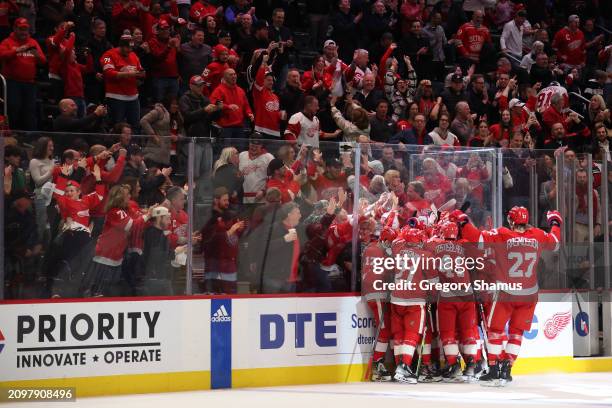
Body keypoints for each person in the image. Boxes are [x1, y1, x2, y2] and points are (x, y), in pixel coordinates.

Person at [456, 206, 562, 386]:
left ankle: (494, 368)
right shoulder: (536, 234)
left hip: (507, 292)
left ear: (511, 221)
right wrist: (555, 222)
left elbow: (477, 238)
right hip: (529, 294)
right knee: (516, 332)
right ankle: (507, 368)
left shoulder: (503, 234)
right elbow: (555, 242)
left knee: (495, 331)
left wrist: (463, 220)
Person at [0, 18, 46, 130]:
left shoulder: (33, 42)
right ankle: (13, 136)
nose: (24, 32)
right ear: (15, 29)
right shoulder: (7, 42)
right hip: (12, 83)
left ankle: (30, 138)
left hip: (30, 83)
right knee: (14, 109)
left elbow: (43, 61)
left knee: (30, 111)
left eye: (26, 29)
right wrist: (17, 50)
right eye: (21, 29)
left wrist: (37, 55)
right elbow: (2, 55)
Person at [201, 187, 245, 294]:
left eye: (228, 200)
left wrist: (239, 230)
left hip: (229, 264)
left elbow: (235, 237)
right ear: (216, 200)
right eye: (224, 200)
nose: (227, 203)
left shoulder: (230, 215)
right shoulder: (209, 217)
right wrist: (229, 232)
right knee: (213, 296)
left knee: (230, 296)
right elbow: (209, 240)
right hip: (214, 263)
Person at [101, 34, 145, 130]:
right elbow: (108, 73)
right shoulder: (107, 55)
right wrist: (126, 74)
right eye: (127, 47)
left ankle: (135, 145)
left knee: (135, 126)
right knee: (117, 126)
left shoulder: (134, 55)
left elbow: (140, 70)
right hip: (115, 97)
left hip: (133, 97)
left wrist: (141, 75)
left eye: (131, 48)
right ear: (121, 46)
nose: (129, 50)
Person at [209, 68, 254, 139]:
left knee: (240, 149)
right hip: (225, 128)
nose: (234, 76)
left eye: (234, 74)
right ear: (224, 77)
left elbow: (246, 105)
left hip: (239, 127)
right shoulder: (219, 90)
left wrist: (249, 113)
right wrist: (228, 106)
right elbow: (214, 103)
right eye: (231, 75)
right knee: (226, 150)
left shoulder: (241, 90)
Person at [239, 137, 274, 203]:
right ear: (249, 144)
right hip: (244, 198)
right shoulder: (242, 155)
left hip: (262, 198)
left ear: (261, 146)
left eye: (256, 146)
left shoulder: (268, 157)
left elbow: (274, 177)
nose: (254, 148)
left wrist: (264, 191)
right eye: (252, 145)